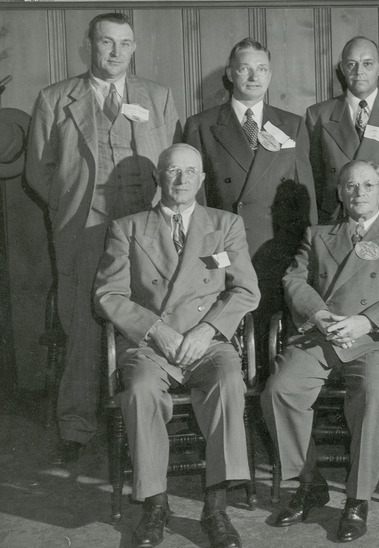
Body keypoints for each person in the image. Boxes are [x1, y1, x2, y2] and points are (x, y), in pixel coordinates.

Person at [25, 12, 181, 464]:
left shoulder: (157, 95)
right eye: (107, 43)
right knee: (82, 327)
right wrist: (73, 203)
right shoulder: (56, 99)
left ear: (134, 48)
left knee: (152, 320)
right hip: (85, 230)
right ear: (89, 45)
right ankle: (75, 427)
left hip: (148, 232)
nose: (116, 52)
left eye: (125, 44)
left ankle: (149, 425)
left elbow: (176, 160)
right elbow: (39, 170)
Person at [95, 144, 260, 548]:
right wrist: (156, 330)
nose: (182, 179)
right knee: (140, 389)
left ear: (202, 179)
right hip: (152, 345)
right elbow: (108, 295)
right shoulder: (128, 227)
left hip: (207, 342)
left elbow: (245, 290)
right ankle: (155, 504)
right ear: (159, 179)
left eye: (190, 172)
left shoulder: (225, 224)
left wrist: (206, 330)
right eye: (172, 171)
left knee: (228, 382)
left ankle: (216, 507)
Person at [262, 160, 379, 543]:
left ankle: (357, 499)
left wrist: (366, 322)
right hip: (322, 333)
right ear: (339, 192)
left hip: (374, 338)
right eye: (351, 186)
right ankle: (310, 482)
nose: (359, 193)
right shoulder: (318, 233)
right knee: (278, 390)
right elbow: (294, 278)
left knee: (372, 396)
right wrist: (320, 315)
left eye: (368, 185)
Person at [184, 37, 317, 258]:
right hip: (225, 243)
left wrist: (308, 251)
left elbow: (306, 196)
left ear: (270, 75)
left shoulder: (292, 125)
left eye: (262, 69)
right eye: (245, 69)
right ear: (230, 73)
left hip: (280, 246)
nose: (255, 77)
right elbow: (196, 197)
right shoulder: (201, 125)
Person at [305, 36, 379, 223]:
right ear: (343, 69)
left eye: (367, 64)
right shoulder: (319, 114)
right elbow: (315, 175)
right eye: (352, 64)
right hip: (338, 219)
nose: (359, 71)